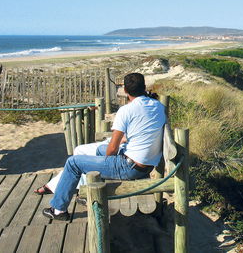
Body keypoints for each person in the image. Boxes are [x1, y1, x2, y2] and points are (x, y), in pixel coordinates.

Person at [41, 72, 166, 220]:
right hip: (147, 164)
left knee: (73, 163)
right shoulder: (158, 106)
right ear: (144, 87)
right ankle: (86, 193)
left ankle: (58, 210)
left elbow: (112, 150)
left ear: (125, 91)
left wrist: (107, 161)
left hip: (130, 168)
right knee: (90, 151)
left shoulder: (126, 110)